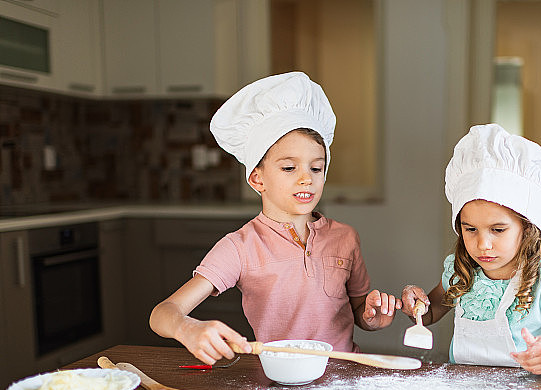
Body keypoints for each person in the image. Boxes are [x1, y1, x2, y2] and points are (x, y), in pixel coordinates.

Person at [150, 72, 400, 365]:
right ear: (258, 179)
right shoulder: (240, 247)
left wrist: (373, 317)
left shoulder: (346, 237)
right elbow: (163, 313)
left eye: (316, 168)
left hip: (344, 377)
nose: (306, 178)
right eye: (289, 168)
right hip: (279, 381)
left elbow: (358, 310)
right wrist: (187, 328)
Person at [400, 124, 541, 374]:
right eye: (470, 229)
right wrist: (416, 305)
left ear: (527, 229)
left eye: (498, 230)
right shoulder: (460, 273)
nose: (482, 244)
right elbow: (431, 313)